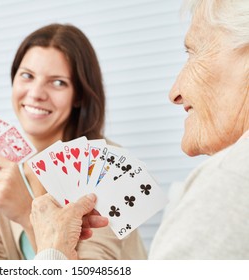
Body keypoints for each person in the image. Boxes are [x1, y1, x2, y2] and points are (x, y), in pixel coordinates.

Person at [30, 0, 249, 260]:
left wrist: (51, 252)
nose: (174, 93)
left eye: (194, 52)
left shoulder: (230, 182)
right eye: (26, 75)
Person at [0, 23, 147, 260]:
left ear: (78, 95)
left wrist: (26, 212)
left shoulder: (105, 166)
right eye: (27, 76)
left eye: (58, 82)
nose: (36, 93)